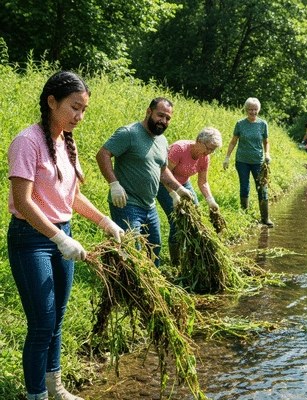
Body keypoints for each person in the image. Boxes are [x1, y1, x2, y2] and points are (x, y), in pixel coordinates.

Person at [7, 71, 124, 400]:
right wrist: (58, 239)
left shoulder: (64, 143)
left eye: (84, 109)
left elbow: (69, 197)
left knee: (57, 318)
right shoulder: (27, 142)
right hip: (31, 239)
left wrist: (104, 222)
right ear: (51, 102)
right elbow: (23, 202)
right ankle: (36, 395)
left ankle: (55, 387)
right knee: (42, 323)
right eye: (75, 107)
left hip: (63, 233)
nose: (79, 116)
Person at [96, 97, 193, 268]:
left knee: (154, 252)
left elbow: (162, 171)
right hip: (127, 205)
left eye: (168, 118)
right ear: (149, 111)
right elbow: (103, 154)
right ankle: (130, 291)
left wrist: (178, 189)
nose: (163, 121)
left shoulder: (162, 141)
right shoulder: (129, 133)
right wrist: (114, 184)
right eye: (160, 115)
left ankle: (153, 289)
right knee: (132, 252)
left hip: (150, 206)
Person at [157, 127, 223, 265]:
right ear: (199, 141)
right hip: (164, 184)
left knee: (196, 217)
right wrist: (174, 194)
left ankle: (191, 255)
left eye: (213, 150)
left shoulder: (205, 157)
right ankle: (176, 262)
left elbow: (202, 182)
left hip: (184, 183)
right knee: (178, 220)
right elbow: (163, 174)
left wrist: (211, 201)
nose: (210, 152)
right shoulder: (179, 149)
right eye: (209, 148)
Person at [222, 97, 274, 227]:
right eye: (250, 109)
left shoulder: (263, 124)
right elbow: (233, 141)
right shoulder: (240, 124)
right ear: (246, 110)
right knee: (244, 187)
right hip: (242, 161)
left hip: (258, 161)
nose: (253, 112)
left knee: (262, 188)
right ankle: (245, 215)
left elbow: (266, 142)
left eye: (255, 109)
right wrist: (227, 157)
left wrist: (267, 153)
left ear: (258, 110)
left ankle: (265, 218)